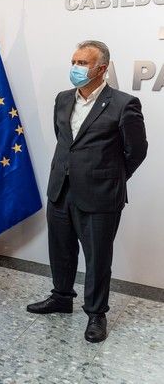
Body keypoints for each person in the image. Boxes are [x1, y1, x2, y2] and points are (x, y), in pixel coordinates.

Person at [27, 40, 147, 343]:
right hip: (61, 189)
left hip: (101, 194)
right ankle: (62, 297)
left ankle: (96, 314)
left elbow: (137, 151)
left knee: (97, 257)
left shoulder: (123, 103)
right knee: (61, 249)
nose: (76, 68)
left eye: (83, 63)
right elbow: (64, 140)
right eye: (74, 61)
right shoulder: (63, 99)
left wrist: (111, 178)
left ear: (101, 69)